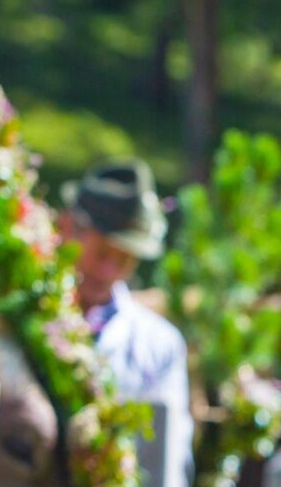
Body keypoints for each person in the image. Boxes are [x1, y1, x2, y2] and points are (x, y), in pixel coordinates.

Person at [58, 159, 192, 469]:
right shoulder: (17, 313)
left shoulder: (160, 345)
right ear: (67, 227)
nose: (108, 271)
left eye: (125, 260)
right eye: (101, 252)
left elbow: (172, 463)